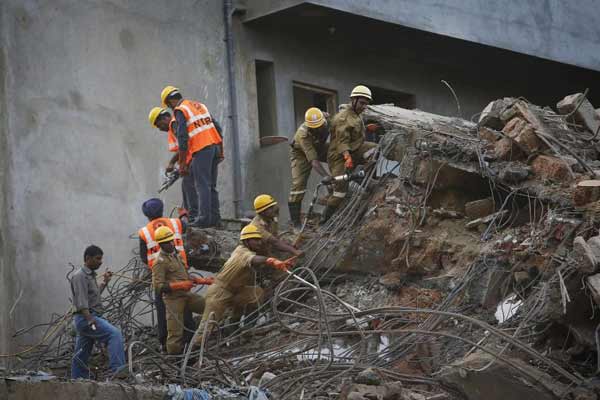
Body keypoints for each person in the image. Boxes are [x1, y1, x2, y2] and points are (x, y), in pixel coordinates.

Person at [194, 225, 295, 346]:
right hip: (220, 291)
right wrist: (272, 261)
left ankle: (244, 332)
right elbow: (254, 259)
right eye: (255, 240)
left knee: (256, 293)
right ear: (246, 241)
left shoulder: (248, 251)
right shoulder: (242, 252)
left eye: (259, 239)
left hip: (236, 290)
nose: (259, 242)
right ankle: (193, 353)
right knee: (207, 325)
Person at [161, 85, 224, 228]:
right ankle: (215, 218)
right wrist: (220, 149)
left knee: (202, 185)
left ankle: (203, 219)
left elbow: (183, 138)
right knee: (211, 186)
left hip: (201, 149)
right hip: (214, 146)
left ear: (170, 102)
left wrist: (182, 163)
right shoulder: (199, 106)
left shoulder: (180, 110)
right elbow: (217, 127)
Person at [137, 198, 195, 352]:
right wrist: (183, 214)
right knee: (185, 303)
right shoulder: (175, 223)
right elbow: (185, 224)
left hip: (160, 276)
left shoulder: (144, 232)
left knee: (163, 309)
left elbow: (144, 257)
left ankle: (164, 343)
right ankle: (189, 340)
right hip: (179, 272)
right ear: (162, 210)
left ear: (147, 215)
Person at [152, 226, 213, 354]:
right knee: (175, 334)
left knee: (211, 307)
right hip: (173, 300)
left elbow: (184, 276)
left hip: (186, 295)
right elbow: (158, 286)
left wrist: (203, 281)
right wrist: (179, 285)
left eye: (171, 241)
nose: (170, 244)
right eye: (167, 242)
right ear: (160, 244)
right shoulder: (159, 262)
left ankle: (199, 343)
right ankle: (175, 362)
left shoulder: (176, 255)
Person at [322, 85, 378, 223]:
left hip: (355, 148)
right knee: (340, 192)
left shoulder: (356, 113)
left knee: (375, 150)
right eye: (362, 103)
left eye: (366, 103)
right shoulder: (343, 118)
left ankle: (362, 178)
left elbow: (355, 128)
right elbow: (342, 141)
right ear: (353, 100)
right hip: (339, 156)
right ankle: (324, 221)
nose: (364, 106)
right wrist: (347, 157)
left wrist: (368, 128)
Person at [70, 245, 125, 379]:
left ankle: (77, 379)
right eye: (97, 259)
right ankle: (117, 371)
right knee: (114, 334)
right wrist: (90, 319)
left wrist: (105, 282)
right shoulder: (80, 276)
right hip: (86, 319)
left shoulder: (90, 275)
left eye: (101, 259)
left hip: (87, 318)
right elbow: (82, 301)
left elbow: (94, 297)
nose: (100, 262)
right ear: (88, 258)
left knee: (81, 352)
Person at [148, 106, 198, 221]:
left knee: (189, 185)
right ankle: (190, 214)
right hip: (193, 157)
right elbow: (182, 149)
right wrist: (174, 163)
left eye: (159, 125)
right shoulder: (174, 126)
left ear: (164, 118)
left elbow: (184, 145)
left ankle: (193, 216)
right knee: (187, 185)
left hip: (194, 157)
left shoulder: (175, 125)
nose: (160, 129)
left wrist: (178, 164)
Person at [288, 107, 332, 227]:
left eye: (320, 126)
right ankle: (295, 222)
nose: (318, 129)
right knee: (298, 185)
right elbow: (313, 161)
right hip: (300, 154)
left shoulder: (327, 118)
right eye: (314, 128)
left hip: (319, 147)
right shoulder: (304, 135)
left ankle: (334, 190)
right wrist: (326, 176)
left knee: (336, 154)